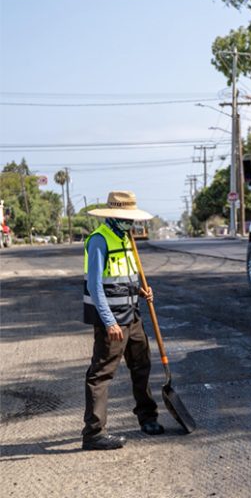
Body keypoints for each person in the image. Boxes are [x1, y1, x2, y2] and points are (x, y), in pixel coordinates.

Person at [81, 191, 164, 450]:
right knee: (101, 374)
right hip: (112, 322)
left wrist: (140, 290)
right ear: (114, 216)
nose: (130, 223)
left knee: (141, 366)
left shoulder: (127, 239)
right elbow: (95, 286)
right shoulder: (99, 240)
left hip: (133, 315)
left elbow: (122, 277)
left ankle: (147, 417)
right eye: (126, 218)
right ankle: (94, 434)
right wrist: (109, 322)